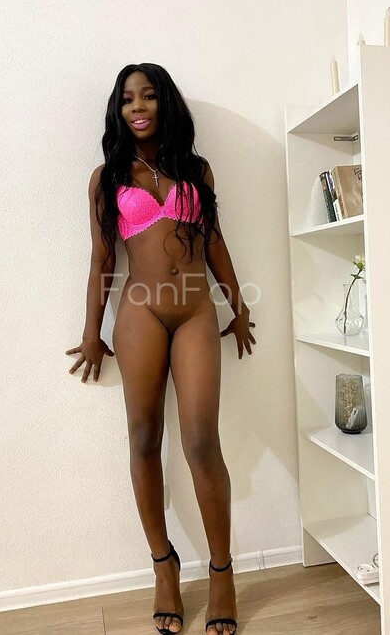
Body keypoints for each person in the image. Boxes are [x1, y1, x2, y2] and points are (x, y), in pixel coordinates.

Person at [66, 63, 256, 635]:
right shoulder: (106, 178)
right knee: (144, 436)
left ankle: (221, 572)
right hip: (140, 313)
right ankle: (163, 566)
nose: (138, 107)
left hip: (195, 311)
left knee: (200, 440)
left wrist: (239, 306)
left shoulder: (197, 170)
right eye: (128, 99)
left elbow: (215, 242)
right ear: (118, 110)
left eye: (148, 96)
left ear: (165, 103)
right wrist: (91, 331)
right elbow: (102, 258)